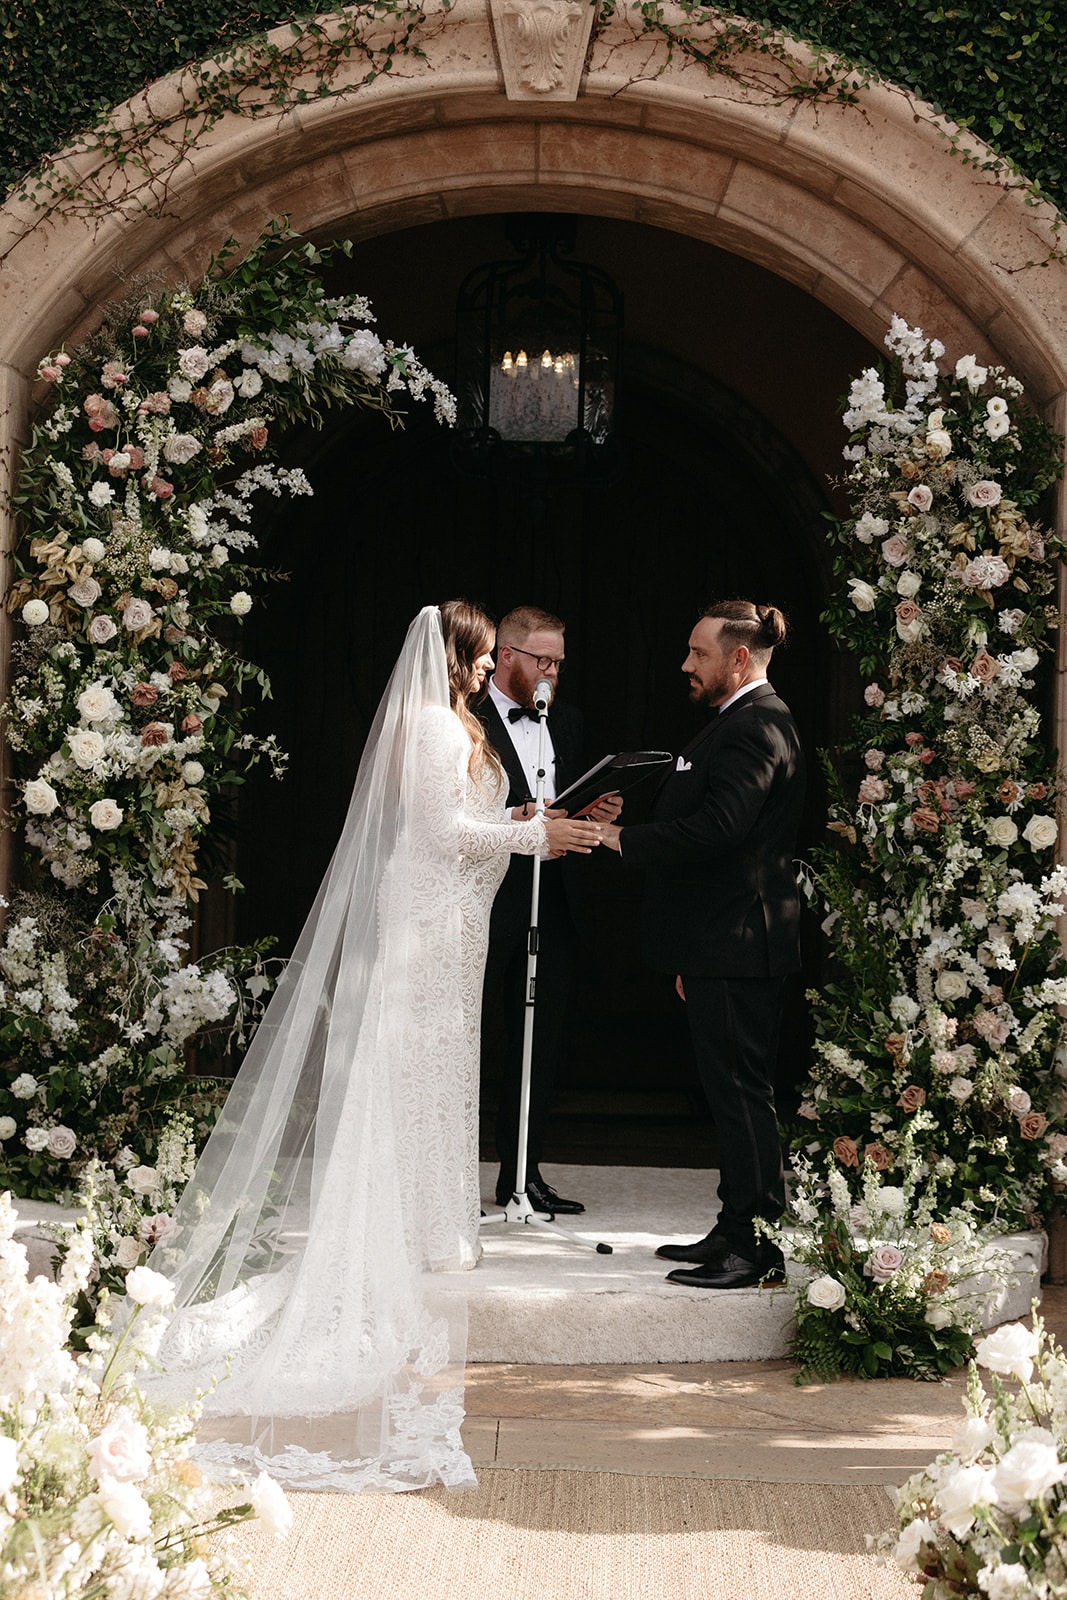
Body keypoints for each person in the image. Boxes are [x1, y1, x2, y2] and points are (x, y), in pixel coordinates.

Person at [137, 602, 601, 1491]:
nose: (480, 673)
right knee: (408, 1074)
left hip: (456, 925)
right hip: (427, 921)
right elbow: (438, 835)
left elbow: (473, 819)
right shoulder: (431, 727)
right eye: (475, 659)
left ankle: (434, 1225)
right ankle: (398, 1227)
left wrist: (528, 815)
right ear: (458, 653)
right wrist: (530, 835)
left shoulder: (453, 723)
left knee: (440, 1074)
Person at [598, 600, 805, 1290]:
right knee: (730, 1090)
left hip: (739, 942)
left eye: (698, 653)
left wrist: (620, 840)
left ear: (737, 658)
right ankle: (733, 1225)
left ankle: (756, 1248)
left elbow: (721, 829)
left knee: (744, 1093)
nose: (686, 664)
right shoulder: (733, 723)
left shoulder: (754, 726)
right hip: (717, 941)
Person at [478, 605, 618, 1216]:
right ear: (505, 654)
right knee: (472, 1034)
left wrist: (595, 814)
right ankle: (445, 1171)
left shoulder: (571, 721)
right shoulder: (468, 718)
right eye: (542, 660)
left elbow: (568, 803)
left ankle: (523, 1175)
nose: (552, 673)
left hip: (554, 899)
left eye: (559, 662)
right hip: (486, 895)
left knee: (541, 1038)